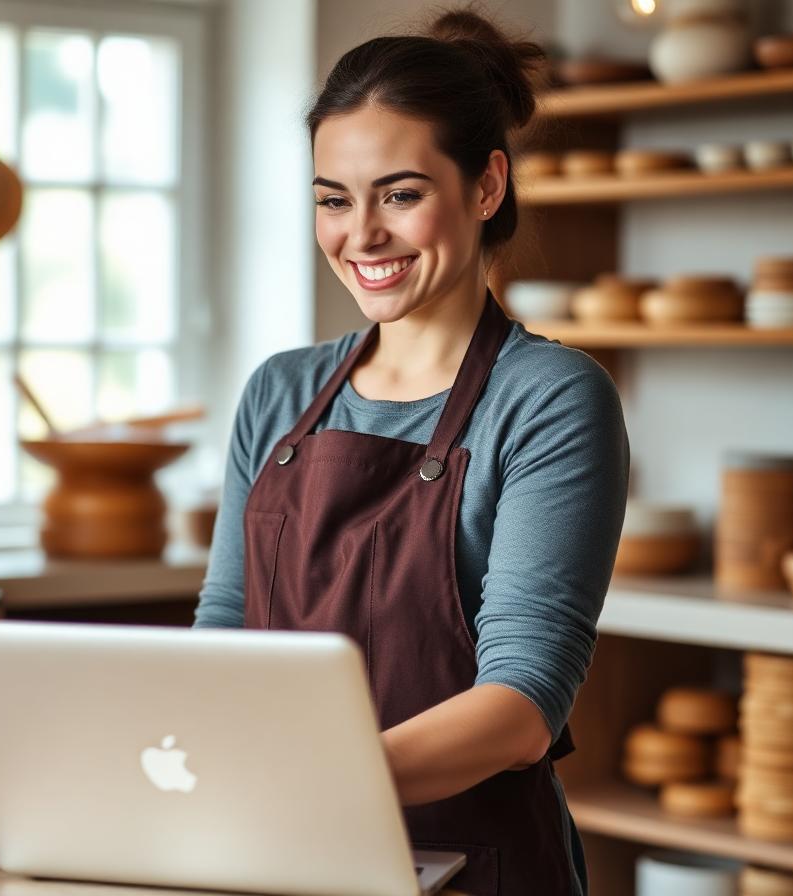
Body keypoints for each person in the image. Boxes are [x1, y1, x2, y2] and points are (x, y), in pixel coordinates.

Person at [194, 9, 629, 895]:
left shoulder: (548, 399)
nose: (361, 236)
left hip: (477, 868)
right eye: (332, 198)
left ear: (485, 186)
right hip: (282, 859)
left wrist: (310, 784)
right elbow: (224, 636)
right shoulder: (280, 392)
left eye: (400, 193)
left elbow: (522, 703)